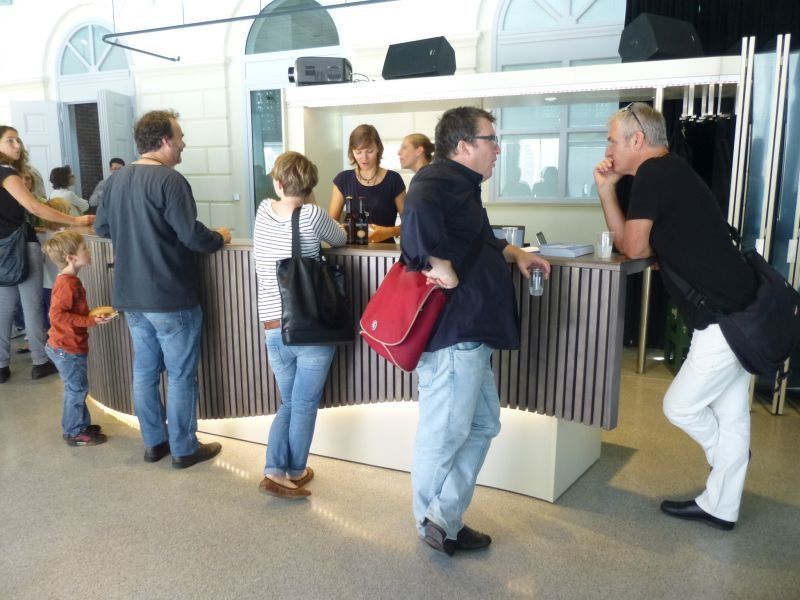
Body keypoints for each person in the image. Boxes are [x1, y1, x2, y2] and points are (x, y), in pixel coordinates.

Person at [594, 102, 757, 531]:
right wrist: (610, 191)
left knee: (680, 406)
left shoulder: (653, 172)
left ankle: (727, 458)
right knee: (731, 414)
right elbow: (643, 244)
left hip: (723, 318)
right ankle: (722, 506)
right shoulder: (673, 170)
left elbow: (633, 247)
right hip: (739, 309)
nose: (607, 150)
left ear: (636, 140)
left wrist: (607, 192)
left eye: (612, 141)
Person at [401, 106, 551, 555]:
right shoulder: (434, 179)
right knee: (443, 432)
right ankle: (429, 522)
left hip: (472, 334)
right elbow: (416, 224)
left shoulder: (463, 187)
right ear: (464, 145)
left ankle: (443, 517)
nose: (498, 149)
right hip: (455, 334)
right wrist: (438, 264)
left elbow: (479, 239)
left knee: (483, 423)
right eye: (491, 140)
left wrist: (516, 253)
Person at [95, 109, 232, 468]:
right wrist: (219, 237)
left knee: (144, 371)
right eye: (180, 136)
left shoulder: (115, 181)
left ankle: (154, 443)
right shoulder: (171, 181)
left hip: (130, 295)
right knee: (181, 375)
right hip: (170, 296)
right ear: (165, 140)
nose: (184, 143)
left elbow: (102, 227)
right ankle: (184, 449)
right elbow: (192, 236)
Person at [253, 151, 346, 499]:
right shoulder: (313, 214)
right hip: (309, 324)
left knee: (289, 402)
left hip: (272, 326)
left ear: (277, 183)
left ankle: (280, 471)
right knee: (303, 403)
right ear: (309, 185)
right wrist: (310, 200)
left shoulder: (263, 211)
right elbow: (339, 239)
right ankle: (288, 470)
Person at [0, 125, 94, 384]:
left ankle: (2, 365)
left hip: (2, 248)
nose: (17, 145)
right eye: (10, 140)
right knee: (32, 305)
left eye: (18, 140)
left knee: (4, 307)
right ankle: (40, 361)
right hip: (21, 244)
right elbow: (34, 206)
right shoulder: (6, 172)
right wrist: (75, 220)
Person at [42, 231, 113, 446]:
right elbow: (57, 315)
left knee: (77, 388)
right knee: (77, 390)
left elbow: (71, 312)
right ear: (71, 257)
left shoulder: (70, 280)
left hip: (67, 346)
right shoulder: (67, 284)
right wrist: (90, 321)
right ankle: (74, 432)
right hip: (67, 348)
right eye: (84, 249)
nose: (88, 251)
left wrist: (91, 316)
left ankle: (80, 425)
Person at [328, 124, 406, 243]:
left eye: (370, 151)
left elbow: (410, 223)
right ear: (352, 152)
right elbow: (330, 225)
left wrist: (390, 231)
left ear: (378, 148)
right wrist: (346, 228)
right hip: (351, 251)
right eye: (358, 152)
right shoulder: (343, 180)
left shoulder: (394, 180)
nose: (364, 158)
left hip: (386, 250)